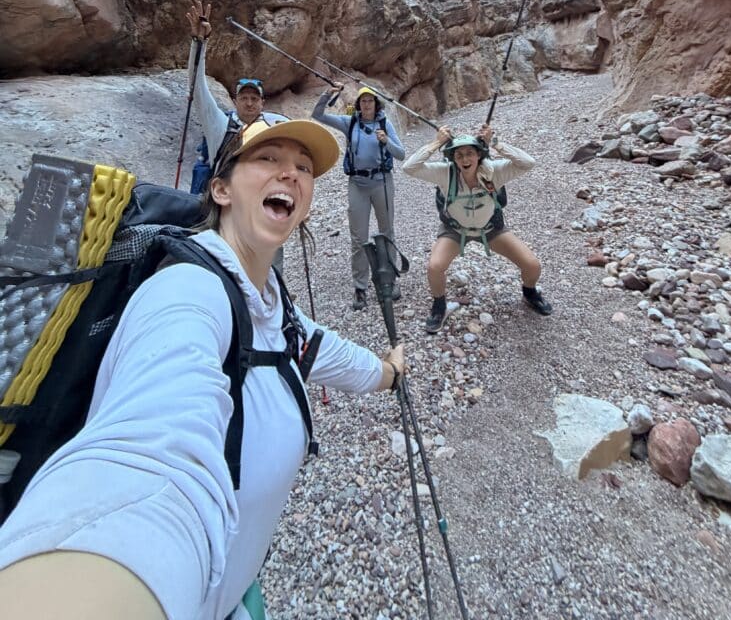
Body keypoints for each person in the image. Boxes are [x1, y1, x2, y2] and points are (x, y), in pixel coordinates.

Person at [0, 117, 405, 620]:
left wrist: (387, 372)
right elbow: (149, 456)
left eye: (303, 167)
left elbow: (311, 346)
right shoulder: (188, 293)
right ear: (220, 190)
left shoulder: (265, 300)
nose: (292, 174)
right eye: (268, 159)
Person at [403, 123, 552, 333]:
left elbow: (528, 163)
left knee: (532, 266)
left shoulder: (494, 171)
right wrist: (436, 142)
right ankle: (439, 305)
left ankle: (529, 293)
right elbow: (408, 168)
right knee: (434, 267)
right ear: (453, 158)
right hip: (455, 231)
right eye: (459, 155)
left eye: (470, 153)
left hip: (490, 229)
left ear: (479, 155)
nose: (465, 159)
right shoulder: (445, 173)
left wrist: (496, 143)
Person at [312, 84, 405, 310]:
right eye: (362, 101)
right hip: (357, 184)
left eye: (370, 101)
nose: (366, 105)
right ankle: (360, 287)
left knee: (387, 232)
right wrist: (328, 93)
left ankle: (389, 281)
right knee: (358, 238)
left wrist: (386, 141)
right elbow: (317, 115)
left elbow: (400, 154)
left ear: (376, 104)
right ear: (358, 104)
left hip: (382, 181)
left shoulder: (385, 124)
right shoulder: (350, 122)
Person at [185, 0, 286, 193]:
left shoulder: (273, 129)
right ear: (235, 101)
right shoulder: (220, 126)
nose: (249, 103)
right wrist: (199, 43)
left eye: (254, 99)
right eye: (244, 98)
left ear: (262, 103)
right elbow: (197, 86)